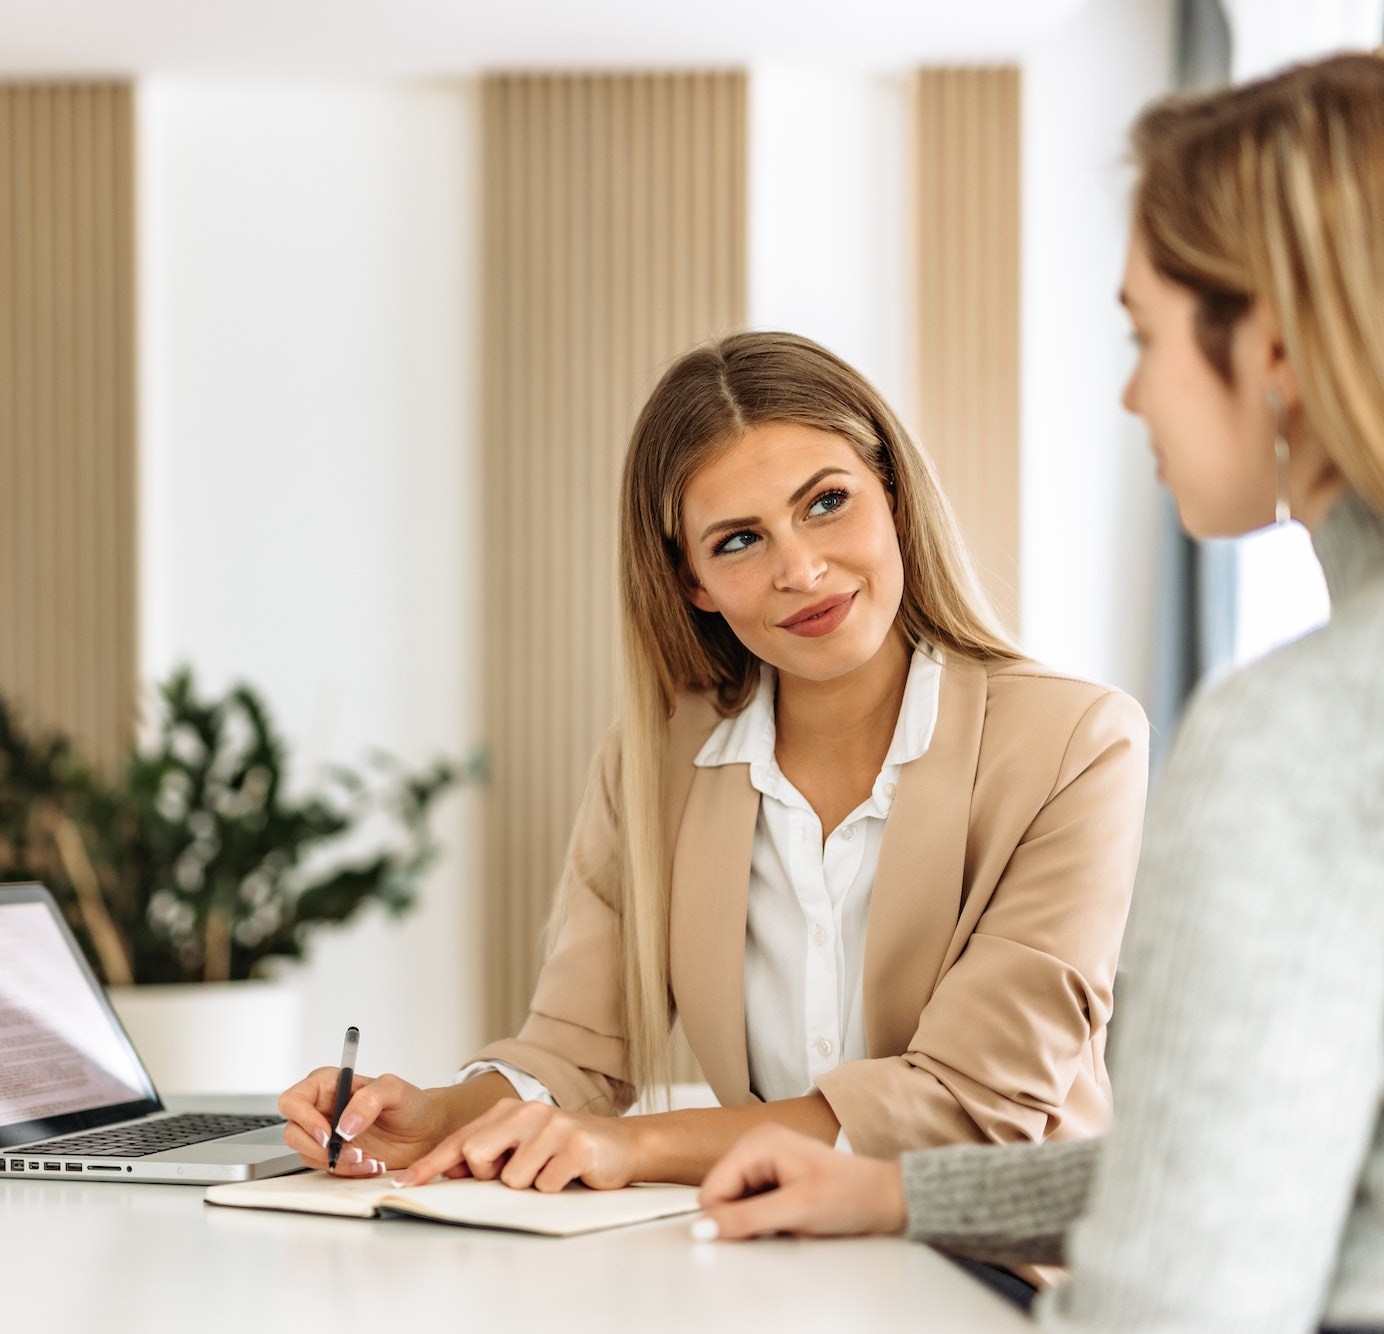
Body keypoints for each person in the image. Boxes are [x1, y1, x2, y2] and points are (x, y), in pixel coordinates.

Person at [692, 52, 1384, 1333]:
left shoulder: (1291, 734)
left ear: (1274, 348)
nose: (1128, 388)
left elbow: (1179, 1298)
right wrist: (895, 1194)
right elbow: (1255, 1161)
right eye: (733, 540)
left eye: (1145, 332)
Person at [279, 330, 1149, 1200]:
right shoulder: (657, 764)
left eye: (827, 502)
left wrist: (642, 1145)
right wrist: (444, 1114)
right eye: (738, 541)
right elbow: (576, 1049)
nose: (801, 569)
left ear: (893, 495)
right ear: (691, 579)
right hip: (763, 1260)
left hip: (1001, 1280)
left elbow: (974, 1108)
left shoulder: (1076, 743)